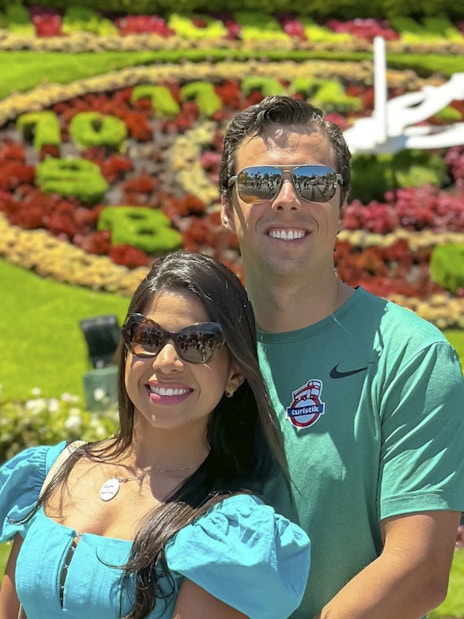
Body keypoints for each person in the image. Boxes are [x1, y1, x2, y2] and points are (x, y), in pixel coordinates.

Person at [219, 95, 464, 619]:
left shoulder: (409, 355)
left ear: (341, 206)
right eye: (260, 183)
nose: (287, 199)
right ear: (226, 207)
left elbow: (419, 570)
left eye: (313, 183)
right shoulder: (197, 348)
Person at [0, 250, 310, 619]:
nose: (166, 361)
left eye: (197, 343)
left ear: (234, 375)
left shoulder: (228, 532)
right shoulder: (50, 473)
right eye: (148, 336)